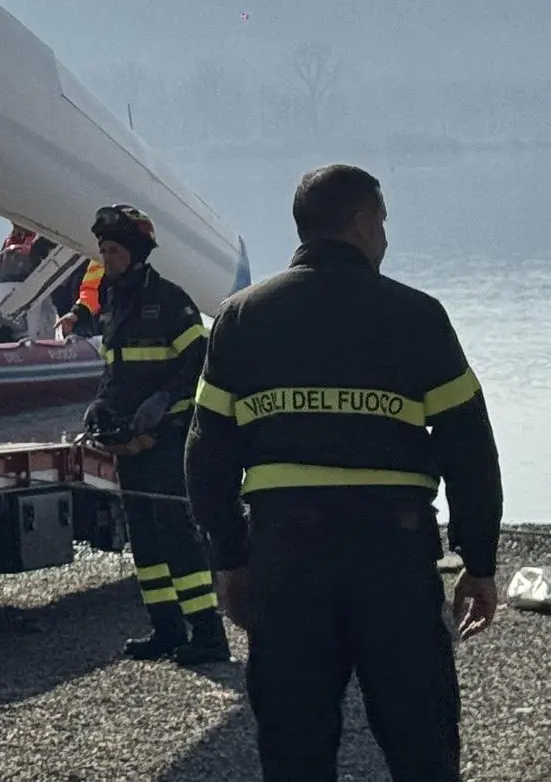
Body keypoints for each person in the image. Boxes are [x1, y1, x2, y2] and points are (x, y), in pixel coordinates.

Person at [185, 164, 503, 782]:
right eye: (381, 223)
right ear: (360, 224)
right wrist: (479, 561)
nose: (384, 237)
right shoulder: (417, 317)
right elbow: (470, 447)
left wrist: (227, 560)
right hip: (394, 554)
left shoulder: (243, 319)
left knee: (295, 742)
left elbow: (206, 455)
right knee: (421, 740)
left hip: (287, 555)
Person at [80, 203, 228, 665]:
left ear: (137, 252)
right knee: (143, 535)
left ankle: (207, 634)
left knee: (176, 534)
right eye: (102, 250)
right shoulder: (112, 302)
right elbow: (114, 370)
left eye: (114, 250)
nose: (106, 258)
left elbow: (200, 358)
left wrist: (163, 401)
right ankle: (165, 628)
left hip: (167, 437)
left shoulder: (169, 300)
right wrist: (100, 403)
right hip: (128, 440)